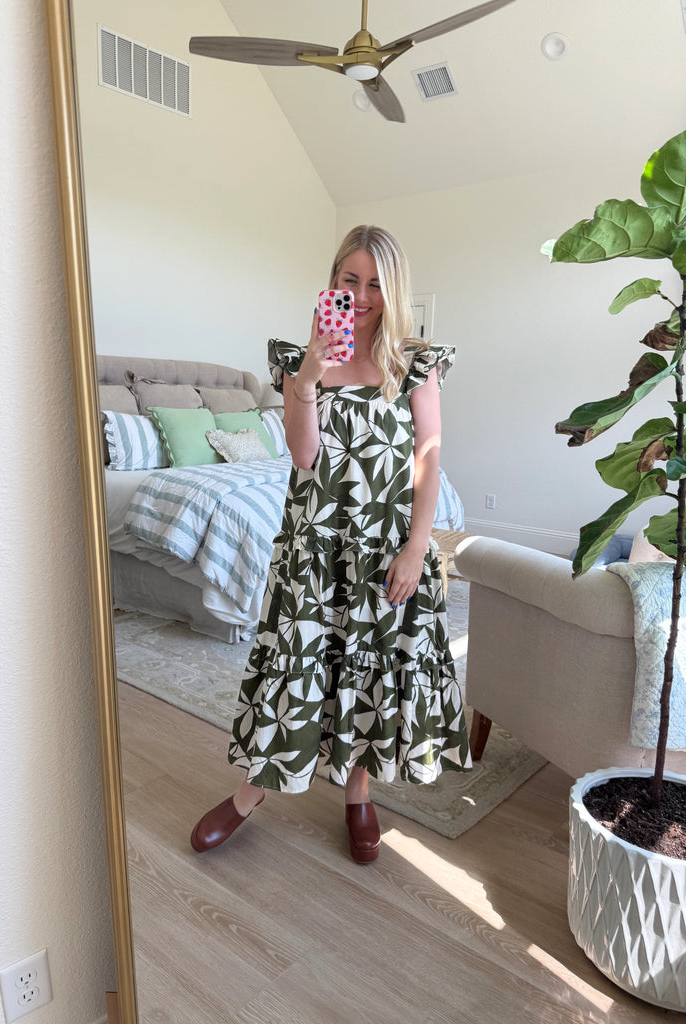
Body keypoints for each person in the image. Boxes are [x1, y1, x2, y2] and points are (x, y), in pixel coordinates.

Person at [191, 224, 471, 863]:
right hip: (315, 548)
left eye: (376, 283)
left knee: (367, 671)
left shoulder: (416, 363)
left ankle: (357, 794)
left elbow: (428, 459)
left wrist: (416, 549)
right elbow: (304, 456)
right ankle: (250, 794)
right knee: (297, 670)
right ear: (333, 282)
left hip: (387, 548)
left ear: (393, 290)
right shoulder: (298, 361)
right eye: (350, 280)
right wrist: (310, 377)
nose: (363, 294)